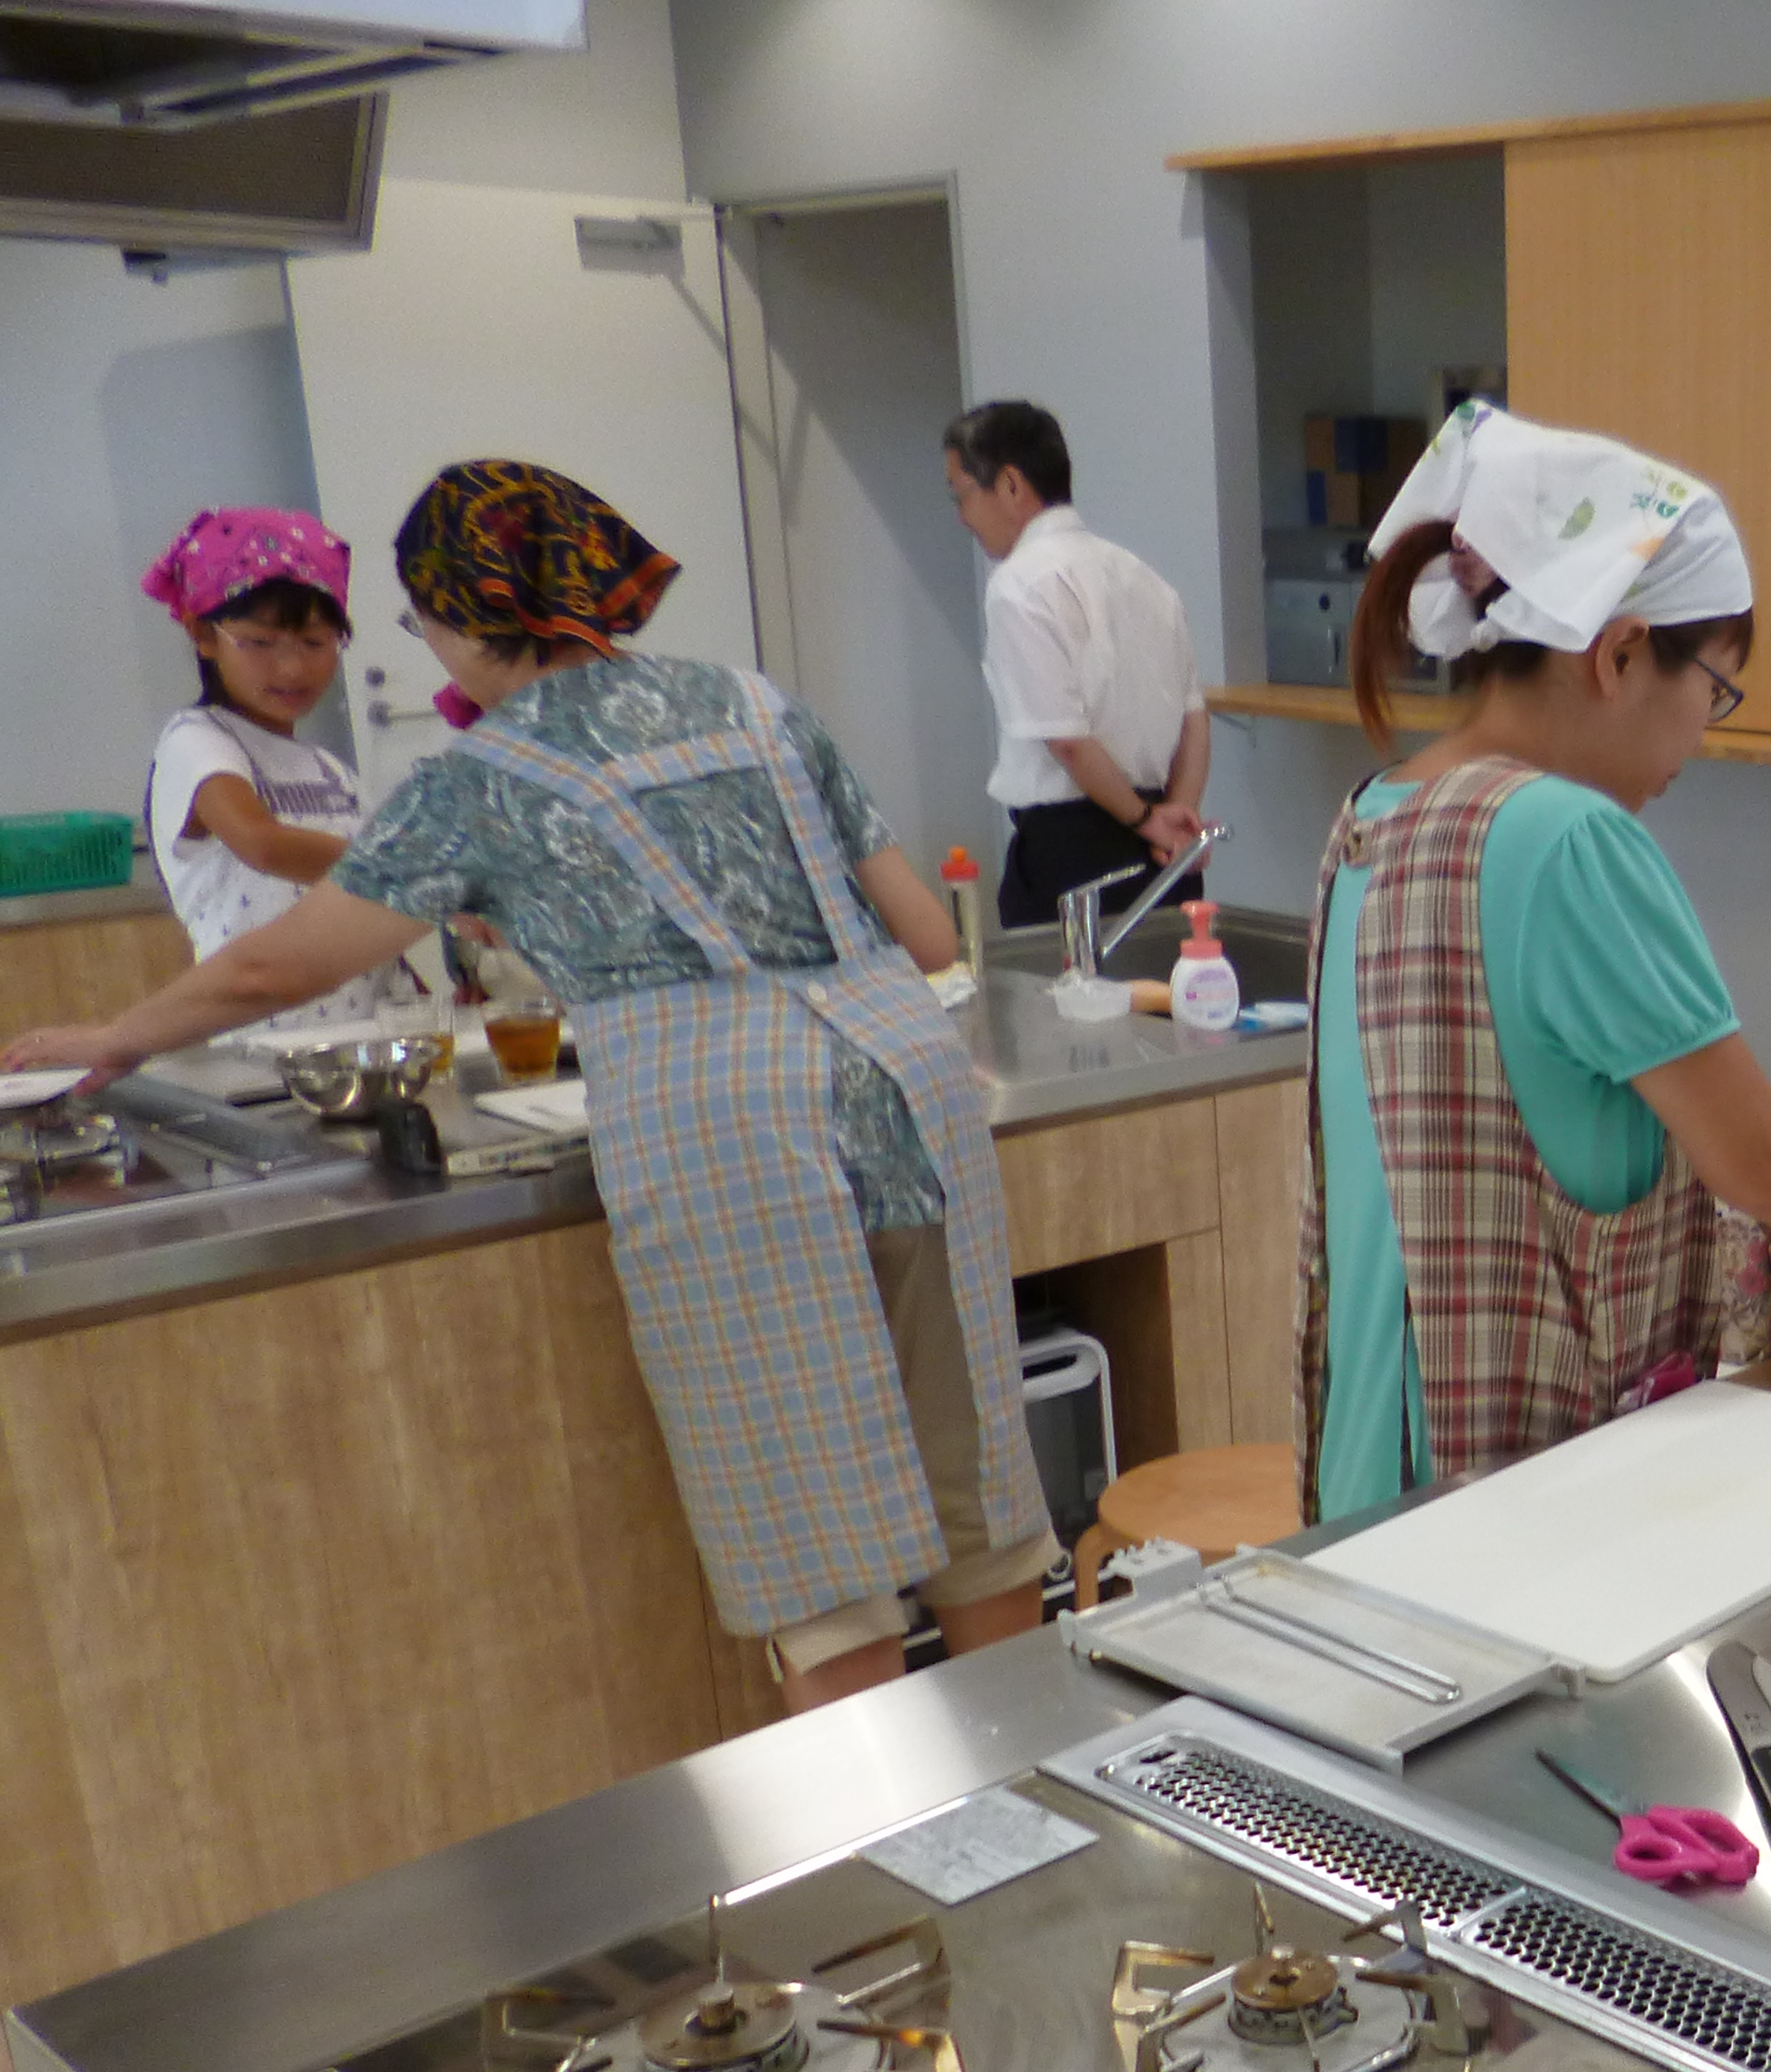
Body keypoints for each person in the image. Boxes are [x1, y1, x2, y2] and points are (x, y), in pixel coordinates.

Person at [6, 460, 1054, 1719]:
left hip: (729, 1122)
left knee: (820, 1546)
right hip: (908, 1084)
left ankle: (892, 1827)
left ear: (460, 613)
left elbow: (278, 964)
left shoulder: (484, 777)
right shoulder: (760, 702)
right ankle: (1025, 1775)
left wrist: (117, 1036)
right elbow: (926, 934)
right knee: (979, 1495)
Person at [1301, 400, 1771, 1522]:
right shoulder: (1569, 839)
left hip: (1373, 1473)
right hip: (1522, 1494)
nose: (1702, 736)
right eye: (1712, 691)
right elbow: (1761, 1157)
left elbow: (1517, 1119)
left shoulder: (1374, 815)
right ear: (1621, 654)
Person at [134, 508, 422, 1036]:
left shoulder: (332, 773)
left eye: (314, 643)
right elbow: (263, 844)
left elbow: (364, 905)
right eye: (260, 643)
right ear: (204, 635)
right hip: (259, 1040)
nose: (291, 668)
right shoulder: (197, 740)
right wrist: (416, 875)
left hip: (365, 1037)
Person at [938, 400, 1209, 928]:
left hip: (1074, 852)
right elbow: (1195, 721)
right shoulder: (1146, 579)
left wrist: (1146, 819)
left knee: (1067, 983)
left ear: (1010, 485)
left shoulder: (1019, 585)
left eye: (961, 494)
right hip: (1165, 851)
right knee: (1168, 979)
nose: (961, 517)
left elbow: (1066, 740)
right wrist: (1173, 825)